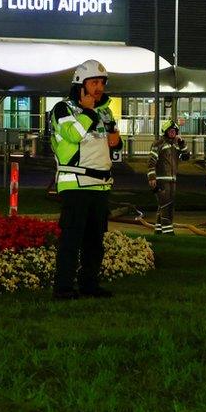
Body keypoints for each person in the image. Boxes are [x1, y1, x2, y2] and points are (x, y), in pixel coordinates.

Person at [50, 59, 123, 300]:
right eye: (93, 82)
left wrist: (116, 140)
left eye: (102, 82)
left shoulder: (105, 112)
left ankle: (89, 284)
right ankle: (63, 288)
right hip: (76, 184)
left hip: (101, 185)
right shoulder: (63, 109)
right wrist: (89, 112)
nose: (99, 87)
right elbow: (73, 135)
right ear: (80, 85)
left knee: (95, 242)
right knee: (71, 240)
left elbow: (112, 145)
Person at [148, 120, 190, 235]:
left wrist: (182, 144)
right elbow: (151, 162)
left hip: (172, 180)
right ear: (165, 132)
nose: (172, 133)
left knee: (165, 204)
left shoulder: (176, 145)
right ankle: (168, 231)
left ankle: (159, 229)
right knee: (166, 205)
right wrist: (152, 177)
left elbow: (186, 157)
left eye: (174, 131)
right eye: (170, 131)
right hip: (161, 180)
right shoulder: (158, 144)